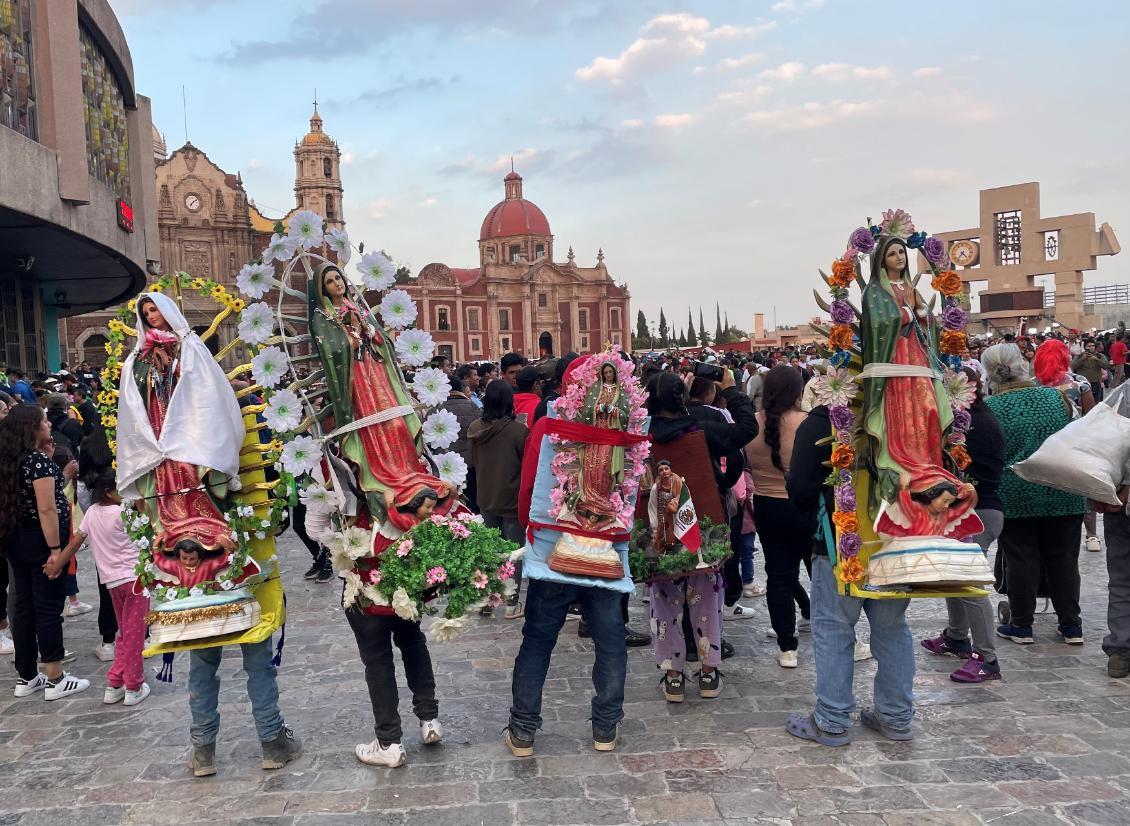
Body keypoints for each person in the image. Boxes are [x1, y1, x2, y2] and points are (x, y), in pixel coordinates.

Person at [117, 291, 299, 777]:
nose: (153, 318)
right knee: (242, 641)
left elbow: (212, 410)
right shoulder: (137, 363)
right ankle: (258, 741)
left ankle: (221, 745)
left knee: (214, 650)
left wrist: (206, 455)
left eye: (157, 311)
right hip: (166, 470)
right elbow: (135, 420)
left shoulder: (193, 354)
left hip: (200, 467)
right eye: (146, 314)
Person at [784, 401, 916, 745]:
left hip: (838, 546)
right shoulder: (898, 416)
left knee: (833, 629)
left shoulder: (821, 422)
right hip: (892, 543)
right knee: (892, 629)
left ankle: (831, 718)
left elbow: (799, 490)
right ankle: (896, 717)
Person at [983, 343, 1086, 646]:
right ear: (1022, 366)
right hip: (1063, 490)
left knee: (1020, 559)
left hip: (1014, 494)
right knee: (1064, 559)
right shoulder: (1058, 398)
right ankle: (1071, 625)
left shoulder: (990, 409)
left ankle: (1022, 625)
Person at [920, 368, 1006, 682]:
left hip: (977, 513)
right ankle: (956, 637)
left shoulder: (967, 425)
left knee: (970, 585)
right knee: (954, 577)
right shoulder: (978, 416)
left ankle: (987, 658)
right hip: (980, 511)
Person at [0, 405, 90, 700]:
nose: (49, 424)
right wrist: (55, 550)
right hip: (41, 541)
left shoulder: (11, 459)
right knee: (48, 606)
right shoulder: (36, 462)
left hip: (16, 540)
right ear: (32, 428)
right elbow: (47, 507)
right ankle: (55, 676)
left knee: (24, 607)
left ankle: (26, 675)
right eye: (44, 421)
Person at [43, 464, 150, 705]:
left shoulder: (91, 512)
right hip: (134, 580)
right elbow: (148, 529)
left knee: (127, 633)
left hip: (112, 583)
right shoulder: (124, 512)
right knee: (134, 636)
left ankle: (115, 683)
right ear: (110, 491)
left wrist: (56, 565)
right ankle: (133, 686)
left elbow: (73, 544)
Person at [744, 365, 814, 668]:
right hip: (805, 506)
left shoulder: (751, 423)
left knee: (779, 577)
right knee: (820, 573)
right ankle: (836, 633)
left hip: (767, 505)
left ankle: (787, 647)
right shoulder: (807, 423)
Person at [469, 380, 529, 618]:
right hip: (512, 499)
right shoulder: (518, 431)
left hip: (486, 496)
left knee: (489, 552)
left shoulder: (475, 429)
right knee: (513, 553)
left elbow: (474, 462)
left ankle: (486, 600)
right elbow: (526, 464)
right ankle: (512, 604)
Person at [1035, 339, 1101, 552]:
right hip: (1075, 443)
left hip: (1042, 445)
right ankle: (1091, 535)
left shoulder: (1032, 384)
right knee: (1083, 488)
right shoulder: (1079, 382)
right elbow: (1091, 417)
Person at [442, 373, 480, 512]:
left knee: (452, 504)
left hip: (446, 466)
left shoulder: (436, 410)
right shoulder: (473, 406)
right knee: (473, 498)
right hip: (471, 462)